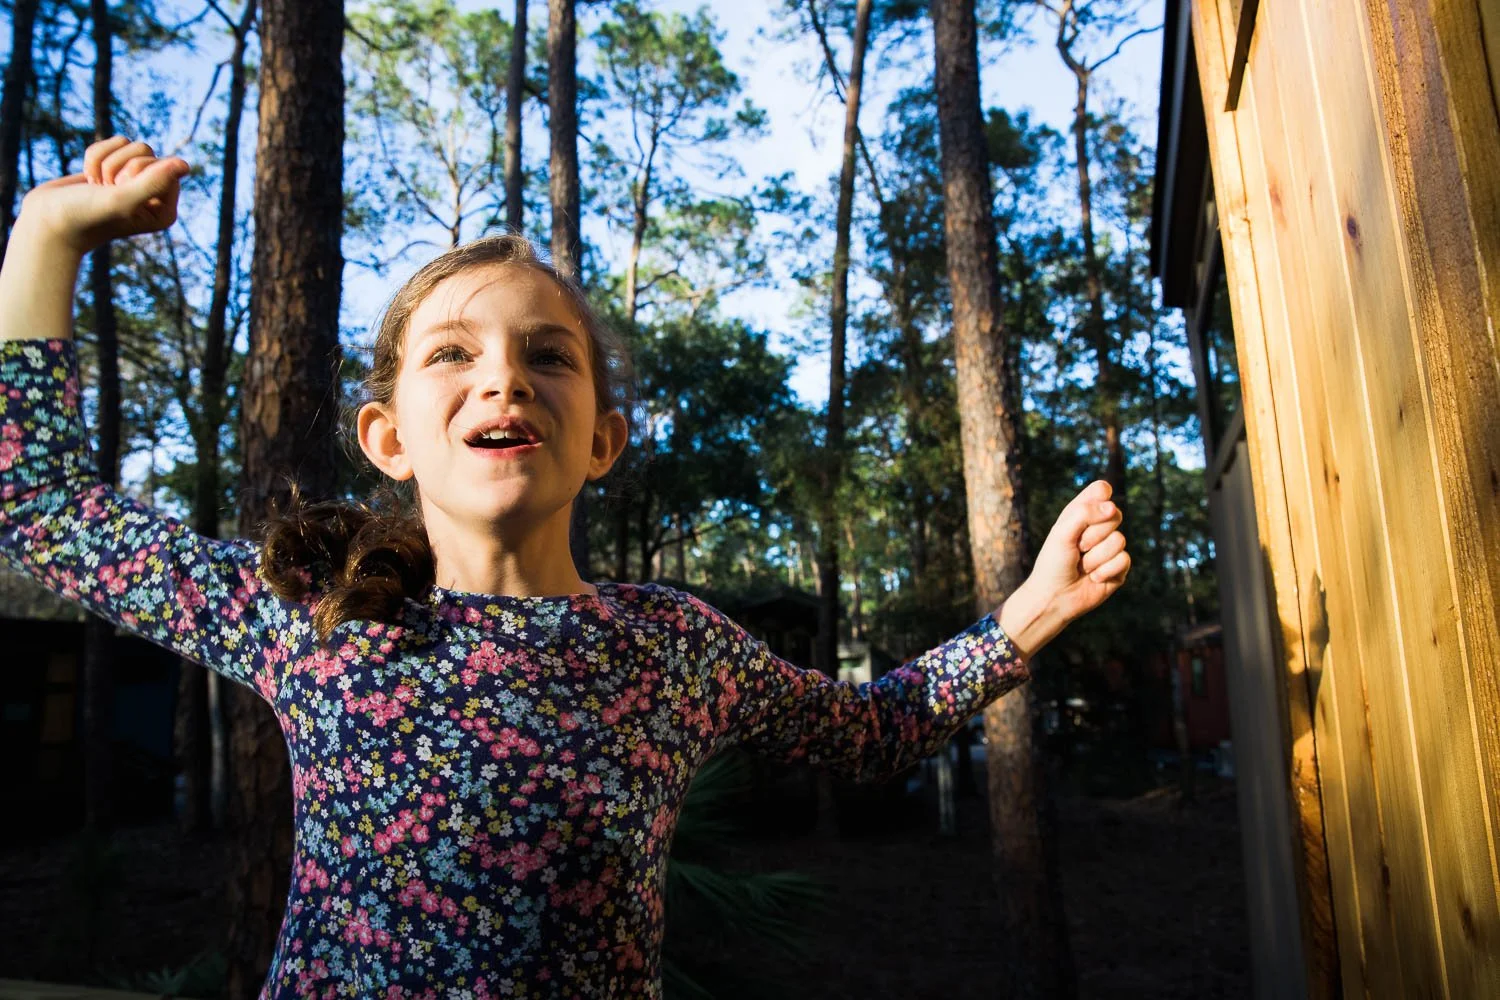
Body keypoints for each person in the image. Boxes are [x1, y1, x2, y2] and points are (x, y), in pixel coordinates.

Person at [0, 135, 1131, 998]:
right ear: (389, 435)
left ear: (601, 439)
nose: (505, 379)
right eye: (454, 354)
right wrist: (48, 239)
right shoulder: (316, 615)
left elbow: (870, 728)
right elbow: (37, 503)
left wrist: (1027, 614)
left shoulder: (671, 648)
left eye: (549, 356)